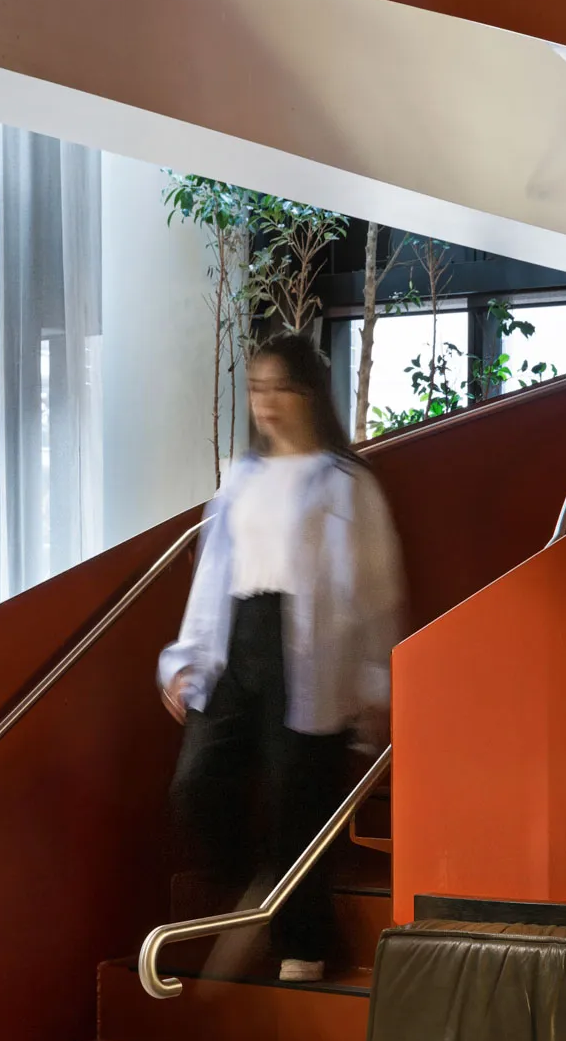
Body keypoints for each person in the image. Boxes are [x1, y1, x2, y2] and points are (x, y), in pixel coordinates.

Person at [158, 332, 405, 983]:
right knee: (197, 783)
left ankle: (303, 943)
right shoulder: (241, 477)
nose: (265, 403)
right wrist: (185, 659)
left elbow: (376, 592)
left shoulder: (347, 483)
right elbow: (213, 572)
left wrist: (375, 683)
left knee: (302, 796)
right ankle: (260, 886)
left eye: (280, 389)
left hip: (312, 650)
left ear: (309, 395)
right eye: (257, 389)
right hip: (239, 636)